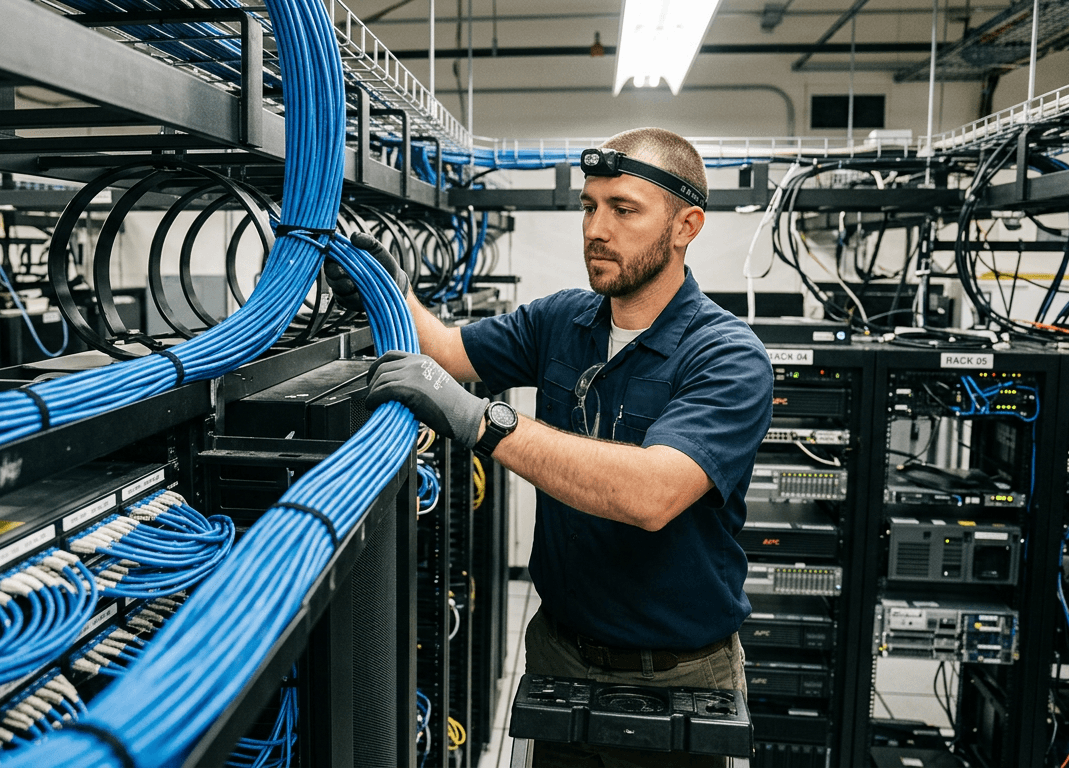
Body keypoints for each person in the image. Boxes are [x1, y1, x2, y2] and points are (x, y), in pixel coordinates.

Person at [331, 128, 773, 768]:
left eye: (623, 210)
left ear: (686, 226)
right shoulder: (561, 321)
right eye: (589, 207)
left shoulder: (727, 356)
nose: (597, 228)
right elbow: (447, 351)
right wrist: (390, 293)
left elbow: (652, 494)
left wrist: (486, 423)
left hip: (677, 678)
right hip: (559, 655)